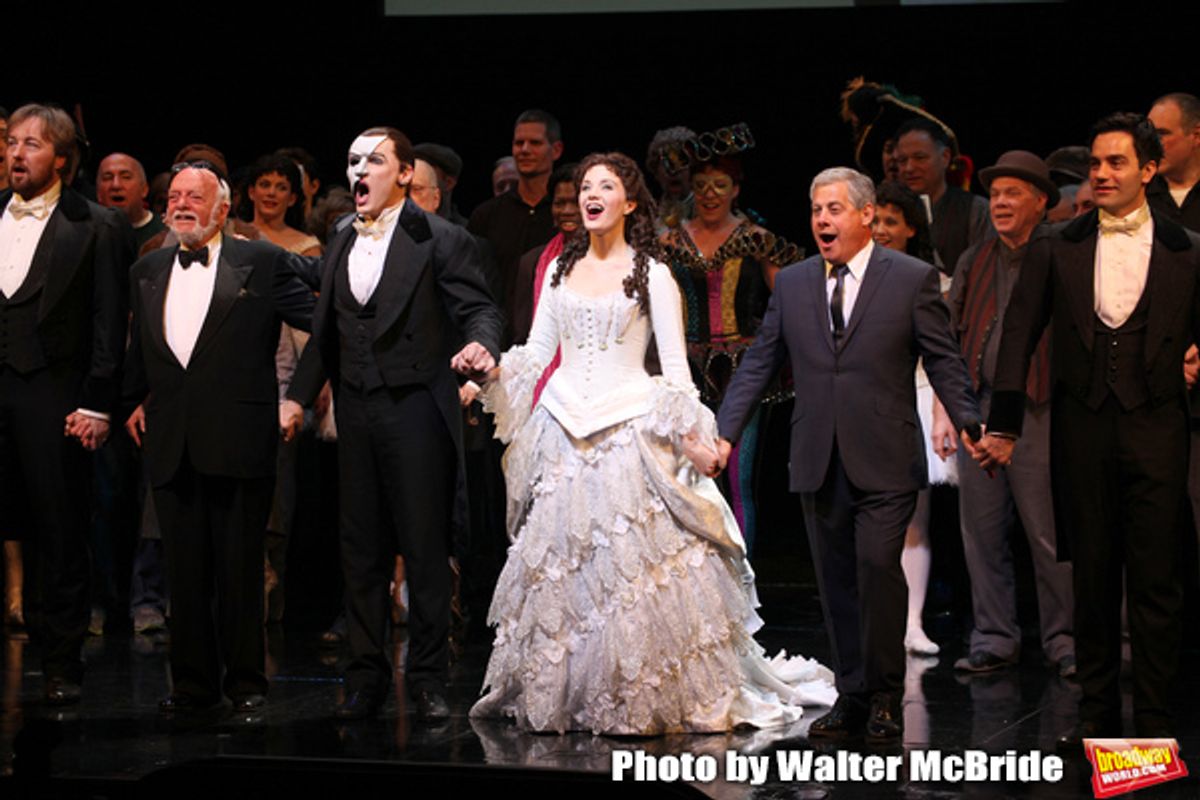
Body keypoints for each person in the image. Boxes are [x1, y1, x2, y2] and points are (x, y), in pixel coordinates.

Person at [470, 152, 834, 735]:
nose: (590, 195)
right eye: (585, 186)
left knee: (635, 578)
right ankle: (576, 693)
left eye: (604, 186)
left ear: (629, 202)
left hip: (628, 427)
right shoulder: (561, 269)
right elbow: (538, 353)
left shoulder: (652, 272)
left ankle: (637, 694)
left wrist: (694, 434)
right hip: (566, 430)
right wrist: (490, 374)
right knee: (571, 573)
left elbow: (675, 369)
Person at [717, 167, 981, 742]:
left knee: (876, 568)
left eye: (834, 209)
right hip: (818, 453)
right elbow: (760, 361)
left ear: (866, 216)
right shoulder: (793, 283)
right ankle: (852, 693)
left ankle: (886, 694)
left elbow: (943, 359)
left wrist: (969, 420)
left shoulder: (910, 279)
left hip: (885, 455)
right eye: (815, 209)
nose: (822, 220)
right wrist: (726, 432)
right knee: (835, 580)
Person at [974, 112, 1200, 744]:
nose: (1100, 174)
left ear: (1149, 170)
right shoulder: (1058, 243)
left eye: (1117, 163)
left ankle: (1154, 719)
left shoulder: (1188, 251)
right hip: (1083, 431)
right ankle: (1096, 713)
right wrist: (1006, 427)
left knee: (1156, 581)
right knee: (1093, 577)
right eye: (1096, 163)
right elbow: (1018, 335)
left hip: (1158, 431)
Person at [288, 126, 502, 722]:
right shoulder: (338, 236)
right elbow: (325, 329)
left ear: (405, 173)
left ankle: (430, 676)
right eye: (353, 161)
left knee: (424, 547)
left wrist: (482, 348)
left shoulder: (439, 237)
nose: (359, 171)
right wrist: (298, 398)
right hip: (356, 409)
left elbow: (480, 307)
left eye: (374, 161)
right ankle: (366, 678)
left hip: (414, 408)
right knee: (360, 551)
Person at [123, 163, 314, 713]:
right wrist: (113, 406)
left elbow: (317, 325)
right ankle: (190, 686)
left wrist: (296, 395)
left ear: (223, 209)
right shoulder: (149, 268)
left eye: (194, 196)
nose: (181, 204)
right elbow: (142, 354)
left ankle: (247, 684)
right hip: (172, 442)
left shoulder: (261, 260)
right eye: (174, 195)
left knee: (237, 571)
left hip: (240, 439)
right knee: (183, 575)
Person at [0, 104, 130, 703]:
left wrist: (98, 403)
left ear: (60, 157)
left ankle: (60, 660)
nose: (17, 153)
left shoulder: (97, 224)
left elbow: (109, 323)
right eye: (11, 142)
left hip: (52, 394)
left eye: (31, 144)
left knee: (58, 528)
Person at [940, 152, 1075, 678]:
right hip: (980, 405)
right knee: (982, 530)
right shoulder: (976, 258)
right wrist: (953, 409)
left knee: (1048, 533)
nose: (999, 201)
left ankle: (1065, 640)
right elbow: (950, 336)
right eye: (995, 193)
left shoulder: (1060, 254)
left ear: (1041, 202)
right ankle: (994, 635)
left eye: (1013, 193)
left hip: (1039, 408)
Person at [659, 128, 799, 554]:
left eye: (720, 186)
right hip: (684, 368)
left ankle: (741, 581)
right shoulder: (670, 241)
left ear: (735, 189)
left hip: (742, 368)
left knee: (736, 477)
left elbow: (790, 300)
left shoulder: (754, 238)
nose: (709, 194)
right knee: (683, 477)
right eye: (701, 186)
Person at [870, 180, 948, 657]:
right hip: (866, 401)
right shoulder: (848, 277)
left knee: (914, 518)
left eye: (891, 222)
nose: (880, 229)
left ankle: (912, 621)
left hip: (915, 398)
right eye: (874, 219)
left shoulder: (931, 280)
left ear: (911, 229)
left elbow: (943, 356)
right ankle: (874, 618)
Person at [96, 152, 165, 251]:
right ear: (98, 193)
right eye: (108, 178)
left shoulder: (165, 234)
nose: (116, 185)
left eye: (126, 177)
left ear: (144, 189)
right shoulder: (87, 235)